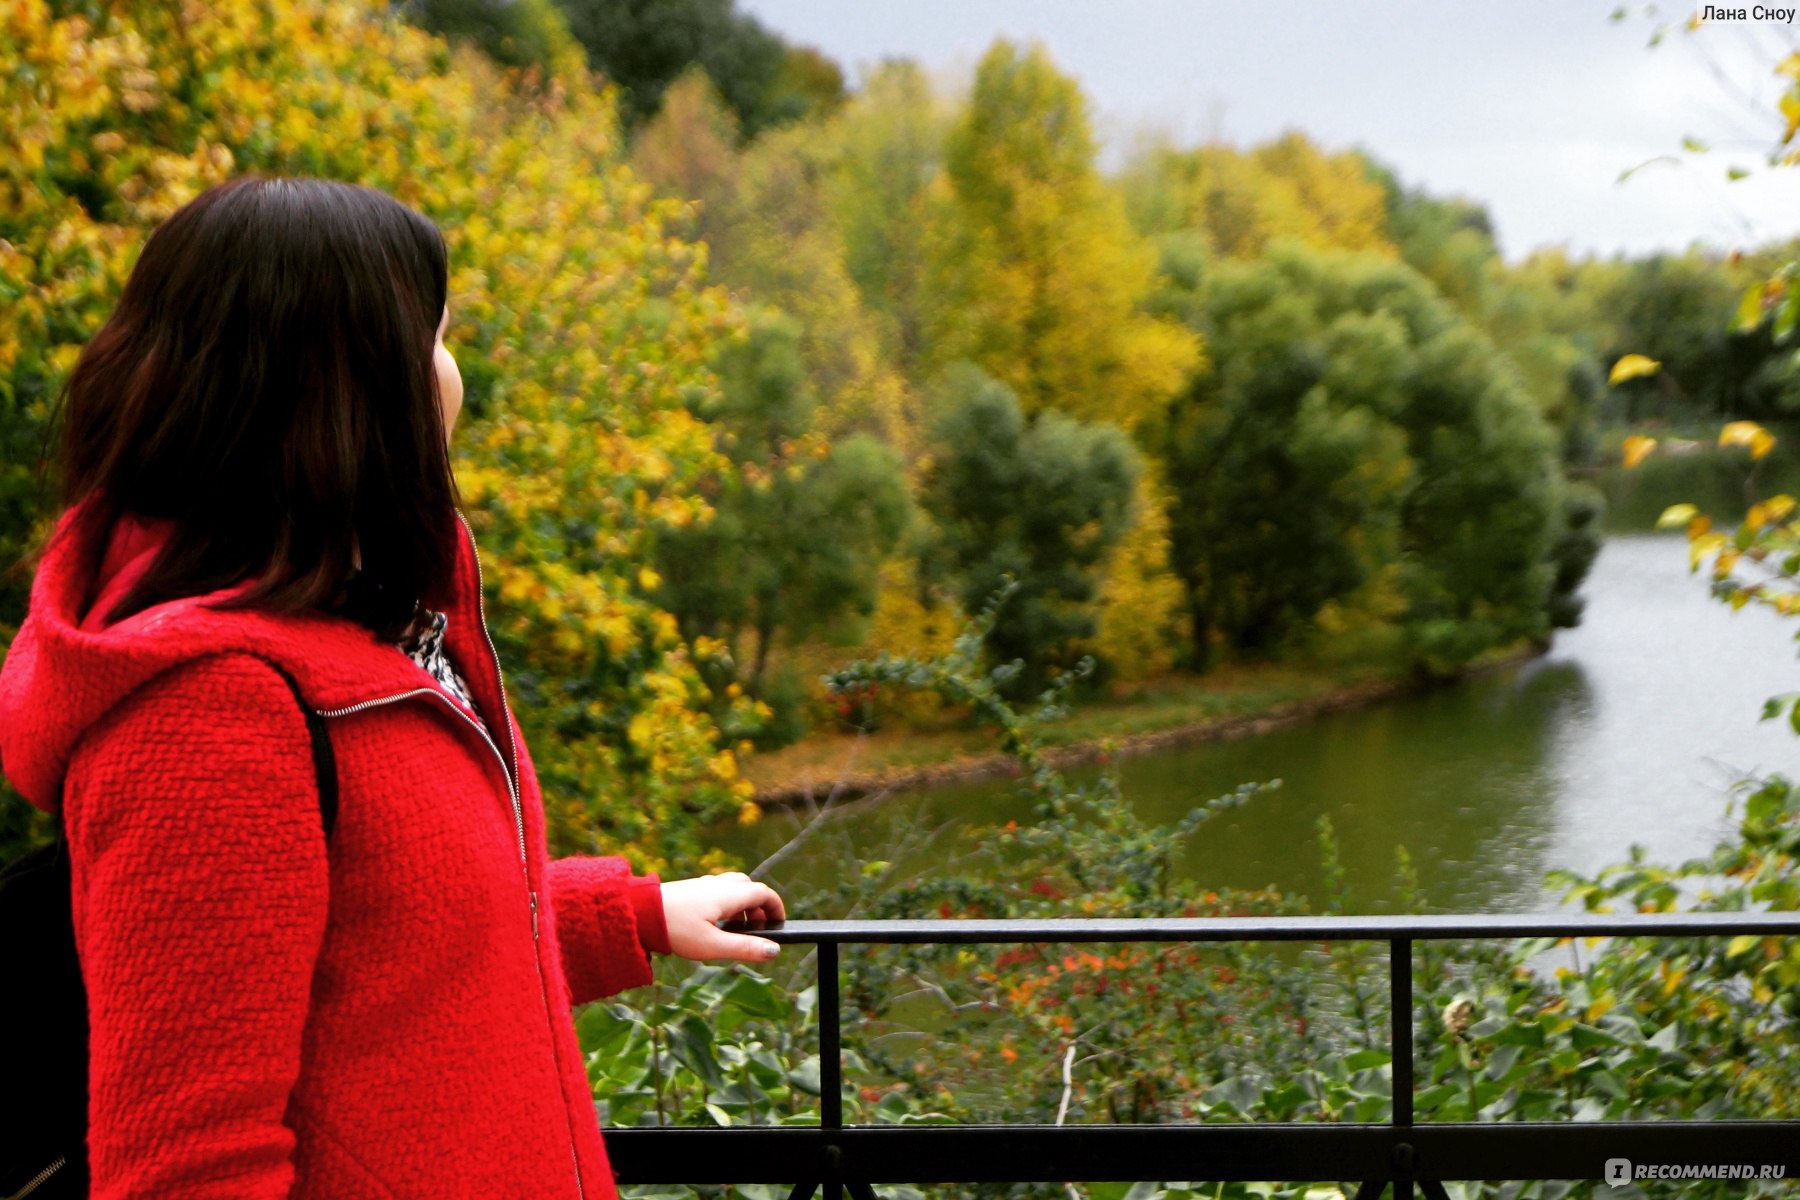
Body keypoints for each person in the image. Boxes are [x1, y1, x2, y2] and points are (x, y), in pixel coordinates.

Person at [0, 173, 786, 1199]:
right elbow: (188, 1163)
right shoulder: (213, 713)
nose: (455, 374)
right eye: (439, 335)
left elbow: (379, 947)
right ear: (349, 378)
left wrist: (621, 916)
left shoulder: (370, 646)